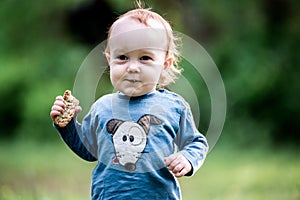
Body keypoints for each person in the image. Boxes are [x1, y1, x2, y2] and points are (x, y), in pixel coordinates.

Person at [50, 5, 208, 200]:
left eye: (145, 58)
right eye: (123, 57)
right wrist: (67, 125)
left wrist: (187, 158)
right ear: (110, 60)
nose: (133, 67)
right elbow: (88, 150)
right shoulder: (102, 107)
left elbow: (196, 142)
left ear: (165, 63)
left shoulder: (174, 107)